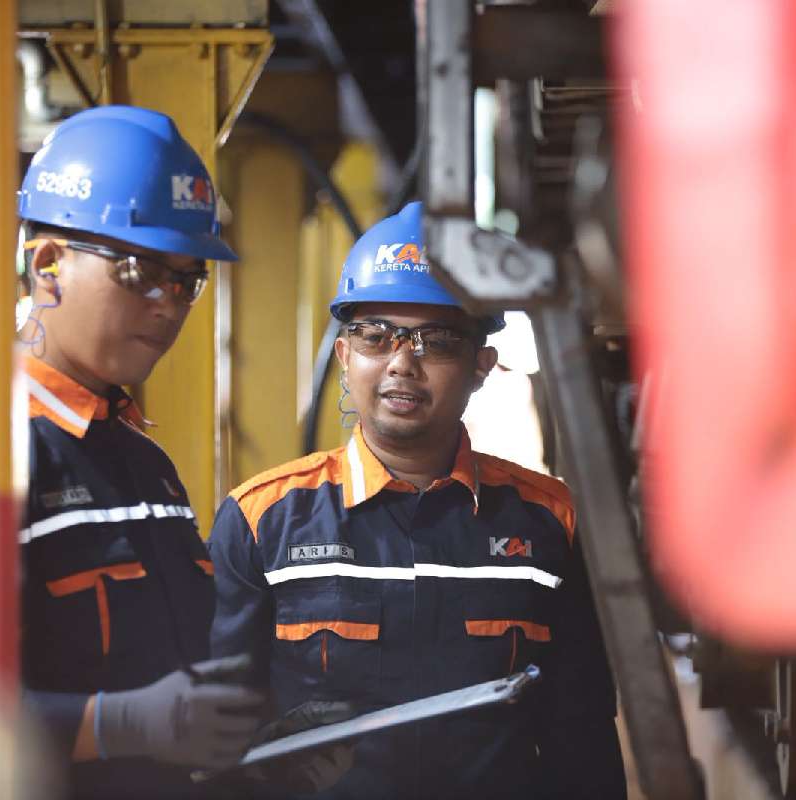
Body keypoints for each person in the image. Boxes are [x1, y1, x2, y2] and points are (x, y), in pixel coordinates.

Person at [209, 201, 627, 799]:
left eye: (438, 341)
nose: (403, 363)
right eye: (376, 337)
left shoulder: (548, 522)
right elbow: (218, 736)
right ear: (345, 356)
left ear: (482, 365)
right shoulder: (263, 521)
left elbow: (581, 732)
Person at [17, 105, 265, 799]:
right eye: (140, 270)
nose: (169, 304)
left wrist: (265, 755)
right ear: (48, 266)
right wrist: (115, 725)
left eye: (187, 280)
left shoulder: (144, 461)